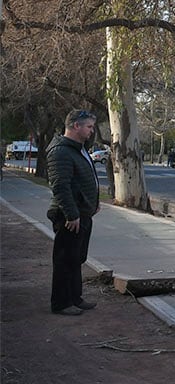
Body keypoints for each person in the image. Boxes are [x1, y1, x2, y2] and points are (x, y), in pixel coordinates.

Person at [46, 109, 101, 316]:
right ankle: (61, 303)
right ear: (76, 126)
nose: (91, 131)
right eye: (89, 127)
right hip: (70, 217)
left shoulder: (79, 149)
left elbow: (84, 179)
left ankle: (75, 298)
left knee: (76, 258)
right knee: (64, 260)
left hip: (83, 213)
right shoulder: (61, 151)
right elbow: (61, 186)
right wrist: (71, 214)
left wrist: (93, 203)